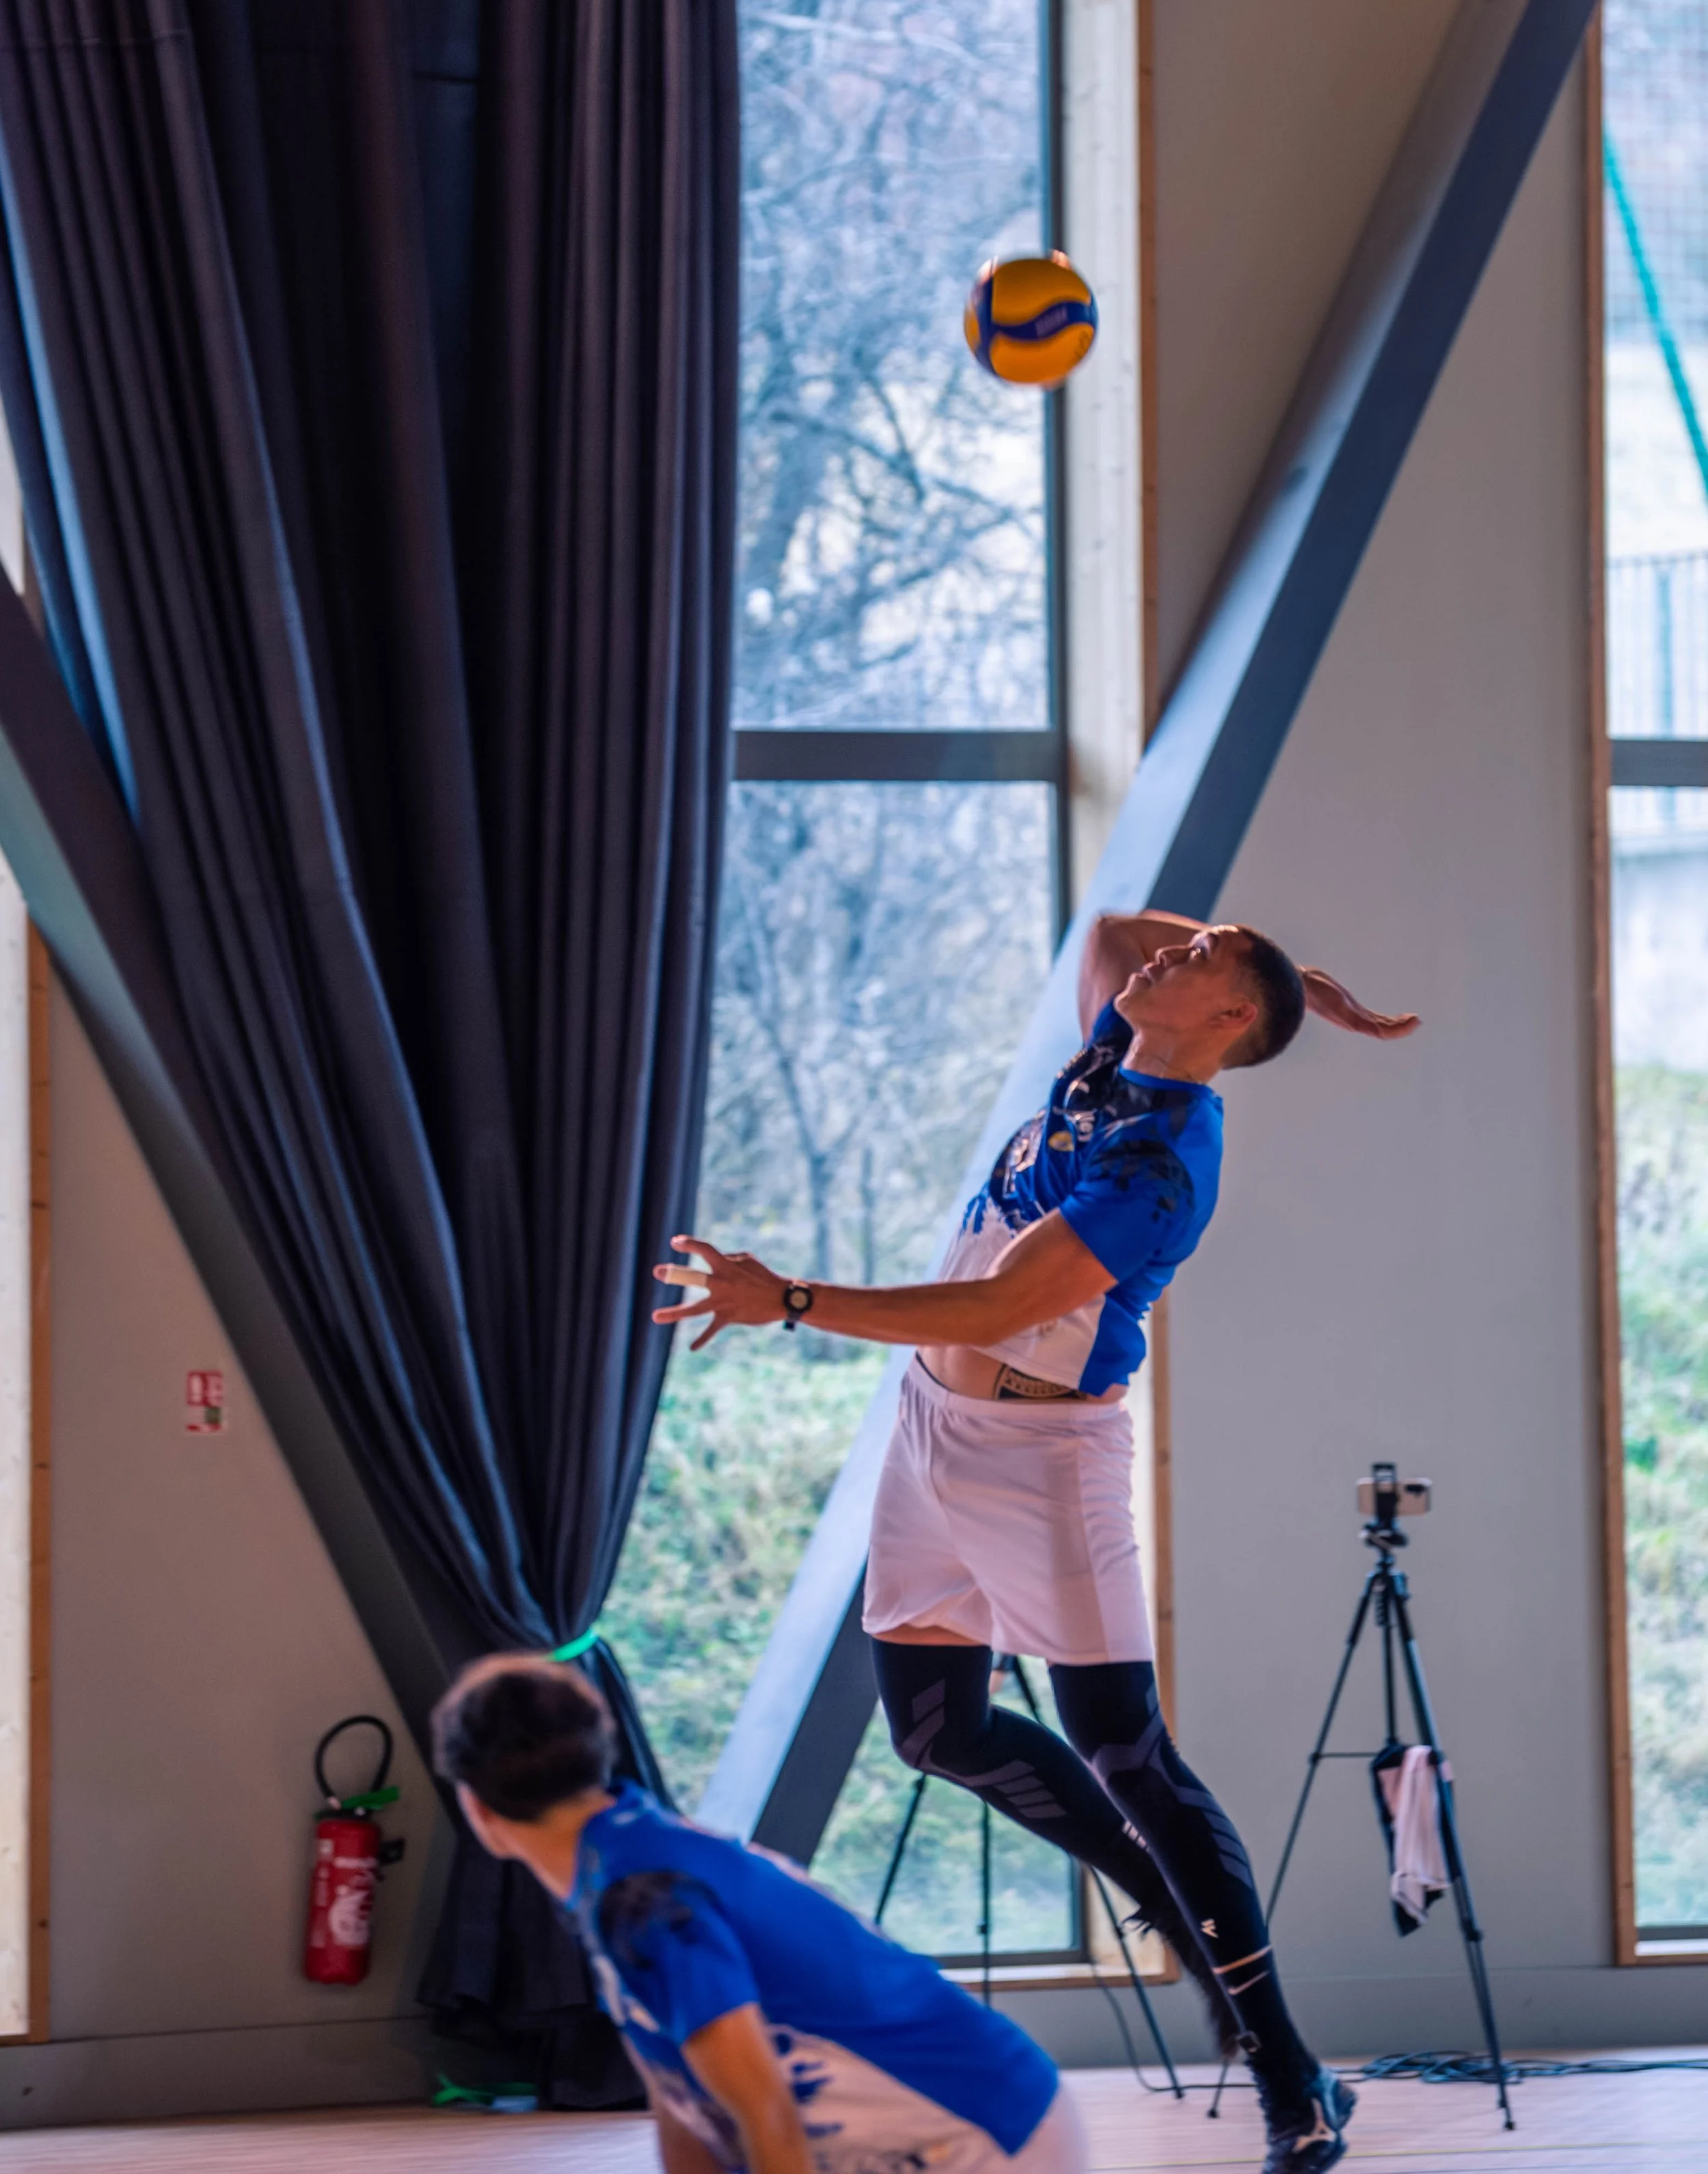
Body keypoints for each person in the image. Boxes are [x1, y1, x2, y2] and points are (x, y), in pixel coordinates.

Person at [656, 910, 1419, 2174]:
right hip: (931, 1434)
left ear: (1226, 1024)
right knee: (938, 1730)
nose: (1163, 959)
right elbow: (1119, 929)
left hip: (1042, 1462)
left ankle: (1287, 2071)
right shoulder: (1110, 1061)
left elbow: (1001, 1302)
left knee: (1127, 1751)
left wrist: (786, 1296)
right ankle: (1156, 1881)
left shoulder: (1163, 1158)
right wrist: (1274, 967)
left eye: (1202, 963)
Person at [433, 1652, 1090, 2174]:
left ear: (477, 1808)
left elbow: (766, 2117)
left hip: (981, 2133)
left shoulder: (647, 1901)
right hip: (952, 2120)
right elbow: (682, 2101)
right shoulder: (621, 1852)